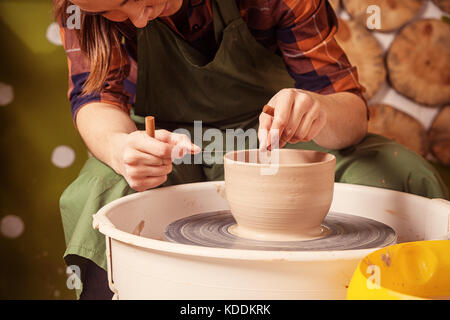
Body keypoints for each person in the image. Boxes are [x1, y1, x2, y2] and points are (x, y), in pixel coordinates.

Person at [54, 0, 448, 299]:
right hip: (174, 141)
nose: (139, 20)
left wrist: (319, 111)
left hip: (275, 132)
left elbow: (350, 111)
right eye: (115, 11)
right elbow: (94, 97)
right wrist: (120, 146)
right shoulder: (81, 7)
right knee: (103, 189)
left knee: (400, 173)